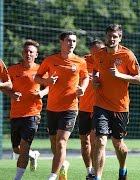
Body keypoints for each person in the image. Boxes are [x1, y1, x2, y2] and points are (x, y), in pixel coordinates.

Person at [34, 31, 89, 180]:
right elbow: (37, 77)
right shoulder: (50, 60)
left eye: (74, 41)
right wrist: (47, 82)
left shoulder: (80, 61)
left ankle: (53, 175)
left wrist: (82, 88)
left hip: (70, 108)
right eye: (69, 41)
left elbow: (85, 77)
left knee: (61, 141)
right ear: (61, 42)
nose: (72, 44)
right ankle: (63, 164)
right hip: (52, 108)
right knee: (54, 142)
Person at [91, 24, 140, 180]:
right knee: (100, 140)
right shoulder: (99, 54)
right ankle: (98, 177)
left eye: (115, 36)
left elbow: (139, 79)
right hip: (100, 104)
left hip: (120, 107)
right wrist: (95, 79)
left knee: (118, 144)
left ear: (120, 38)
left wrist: (120, 75)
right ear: (105, 37)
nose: (112, 39)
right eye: (109, 36)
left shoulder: (127, 55)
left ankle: (122, 168)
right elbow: (95, 70)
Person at [3, 39, 48, 180]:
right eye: (26, 51)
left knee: (24, 146)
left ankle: (17, 178)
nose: (28, 54)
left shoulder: (40, 70)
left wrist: (41, 93)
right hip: (15, 114)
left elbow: (50, 86)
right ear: (22, 53)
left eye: (31, 52)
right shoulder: (12, 69)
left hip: (33, 114)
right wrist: (11, 94)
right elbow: (5, 87)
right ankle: (33, 154)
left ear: (36, 54)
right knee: (17, 149)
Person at [78, 39, 105, 180]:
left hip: (99, 107)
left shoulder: (106, 61)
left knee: (96, 140)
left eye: (98, 52)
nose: (96, 55)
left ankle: (95, 172)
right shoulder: (82, 61)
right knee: (84, 140)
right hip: (83, 107)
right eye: (94, 52)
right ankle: (89, 170)